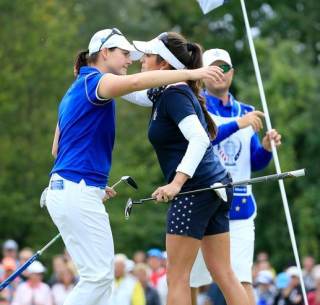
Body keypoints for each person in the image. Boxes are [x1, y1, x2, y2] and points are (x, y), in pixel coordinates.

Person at [45, 28, 219, 305]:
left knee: (100, 282)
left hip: (71, 189)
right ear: (104, 53)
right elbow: (139, 82)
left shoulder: (77, 88)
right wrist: (192, 73)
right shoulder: (96, 82)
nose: (129, 60)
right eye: (124, 54)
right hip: (75, 191)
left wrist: (92, 184)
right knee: (98, 279)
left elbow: (57, 149)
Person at [128, 32, 249, 305]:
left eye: (147, 56)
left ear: (163, 64)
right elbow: (129, 89)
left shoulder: (173, 95)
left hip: (196, 190)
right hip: (214, 186)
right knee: (223, 272)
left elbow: (199, 139)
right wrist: (103, 75)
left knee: (177, 277)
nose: (141, 61)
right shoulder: (164, 92)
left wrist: (176, 184)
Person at [189, 48, 282, 305]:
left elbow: (254, 163)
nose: (220, 74)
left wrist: (265, 147)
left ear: (232, 73)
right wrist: (239, 124)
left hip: (239, 207)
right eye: (214, 68)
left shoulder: (247, 110)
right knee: (190, 281)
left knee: (242, 280)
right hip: (201, 204)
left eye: (224, 68)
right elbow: (206, 137)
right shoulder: (195, 105)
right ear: (203, 73)